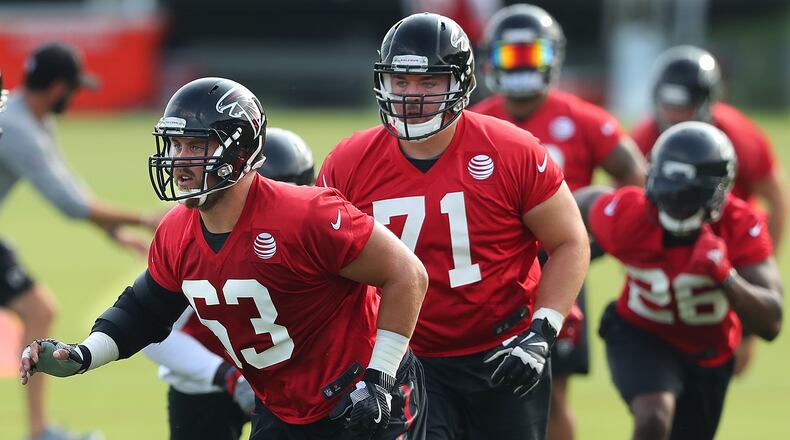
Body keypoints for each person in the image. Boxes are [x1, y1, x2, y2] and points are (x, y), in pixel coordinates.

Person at [20, 77, 430, 440]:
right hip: (282, 407)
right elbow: (144, 311)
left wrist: (381, 375)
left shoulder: (306, 214)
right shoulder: (177, 230)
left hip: (361, 395)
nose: (180, 159)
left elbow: (407, 274)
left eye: (196, 145)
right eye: (176, 144)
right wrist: (83, 355)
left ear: (239, 150)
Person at [319, 13, 589, 440]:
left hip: (504, 350)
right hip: (406, 355)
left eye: (429, 83)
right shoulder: (349, 162)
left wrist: (542, 331)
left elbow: (570, 241)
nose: (412, 96)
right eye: (401, 81)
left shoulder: (512, 150)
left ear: (460, 84)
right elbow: (325, 268)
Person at [469, 5, 647, 439]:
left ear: (553, 57)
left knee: (551, 394)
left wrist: (605, 234)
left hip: (558, 264)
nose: (523, 65)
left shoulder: (584, 118)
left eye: (531, 54)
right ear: (492, 60)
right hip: (497, 272)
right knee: (484, 388)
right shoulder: (479, 121)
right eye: (512, 56)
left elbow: (634, 176)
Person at [575, 121, 783, 440]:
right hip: (641, 333)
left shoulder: (740, 225)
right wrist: (567, 249)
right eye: (668, 194)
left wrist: (726, 276)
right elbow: (572, 207)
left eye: (687, 199)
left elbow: (772, 322)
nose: (675, 208)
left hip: (709, 350)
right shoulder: (630, 214)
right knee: (654, 415)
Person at [1, 43, 160, 440]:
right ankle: (39, 432)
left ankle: (39, 431)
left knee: (39, 311)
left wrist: (111, 230)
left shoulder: (28, 117)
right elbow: (71, 204)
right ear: (57, 88)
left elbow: (70, 189)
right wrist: (145, 219)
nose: (73, 98)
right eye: (73, 89)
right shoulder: (18, 129)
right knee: (39, 310)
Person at [142, 127, 316, 440]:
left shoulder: (315, 233)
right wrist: (224, 375)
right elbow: (152, 333)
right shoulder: (192, 239)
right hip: (208, 387)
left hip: (294, 382)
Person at [631, 45, 788, 374]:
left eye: (684, 105)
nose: (674, 115)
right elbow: (632, 206)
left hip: (727, 256)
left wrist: (758, 257)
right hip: (671, 261)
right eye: (668, 104)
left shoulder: (740, 136)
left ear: (706, 101)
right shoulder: (646, 138)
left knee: (731, 365)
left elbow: (778, 197)